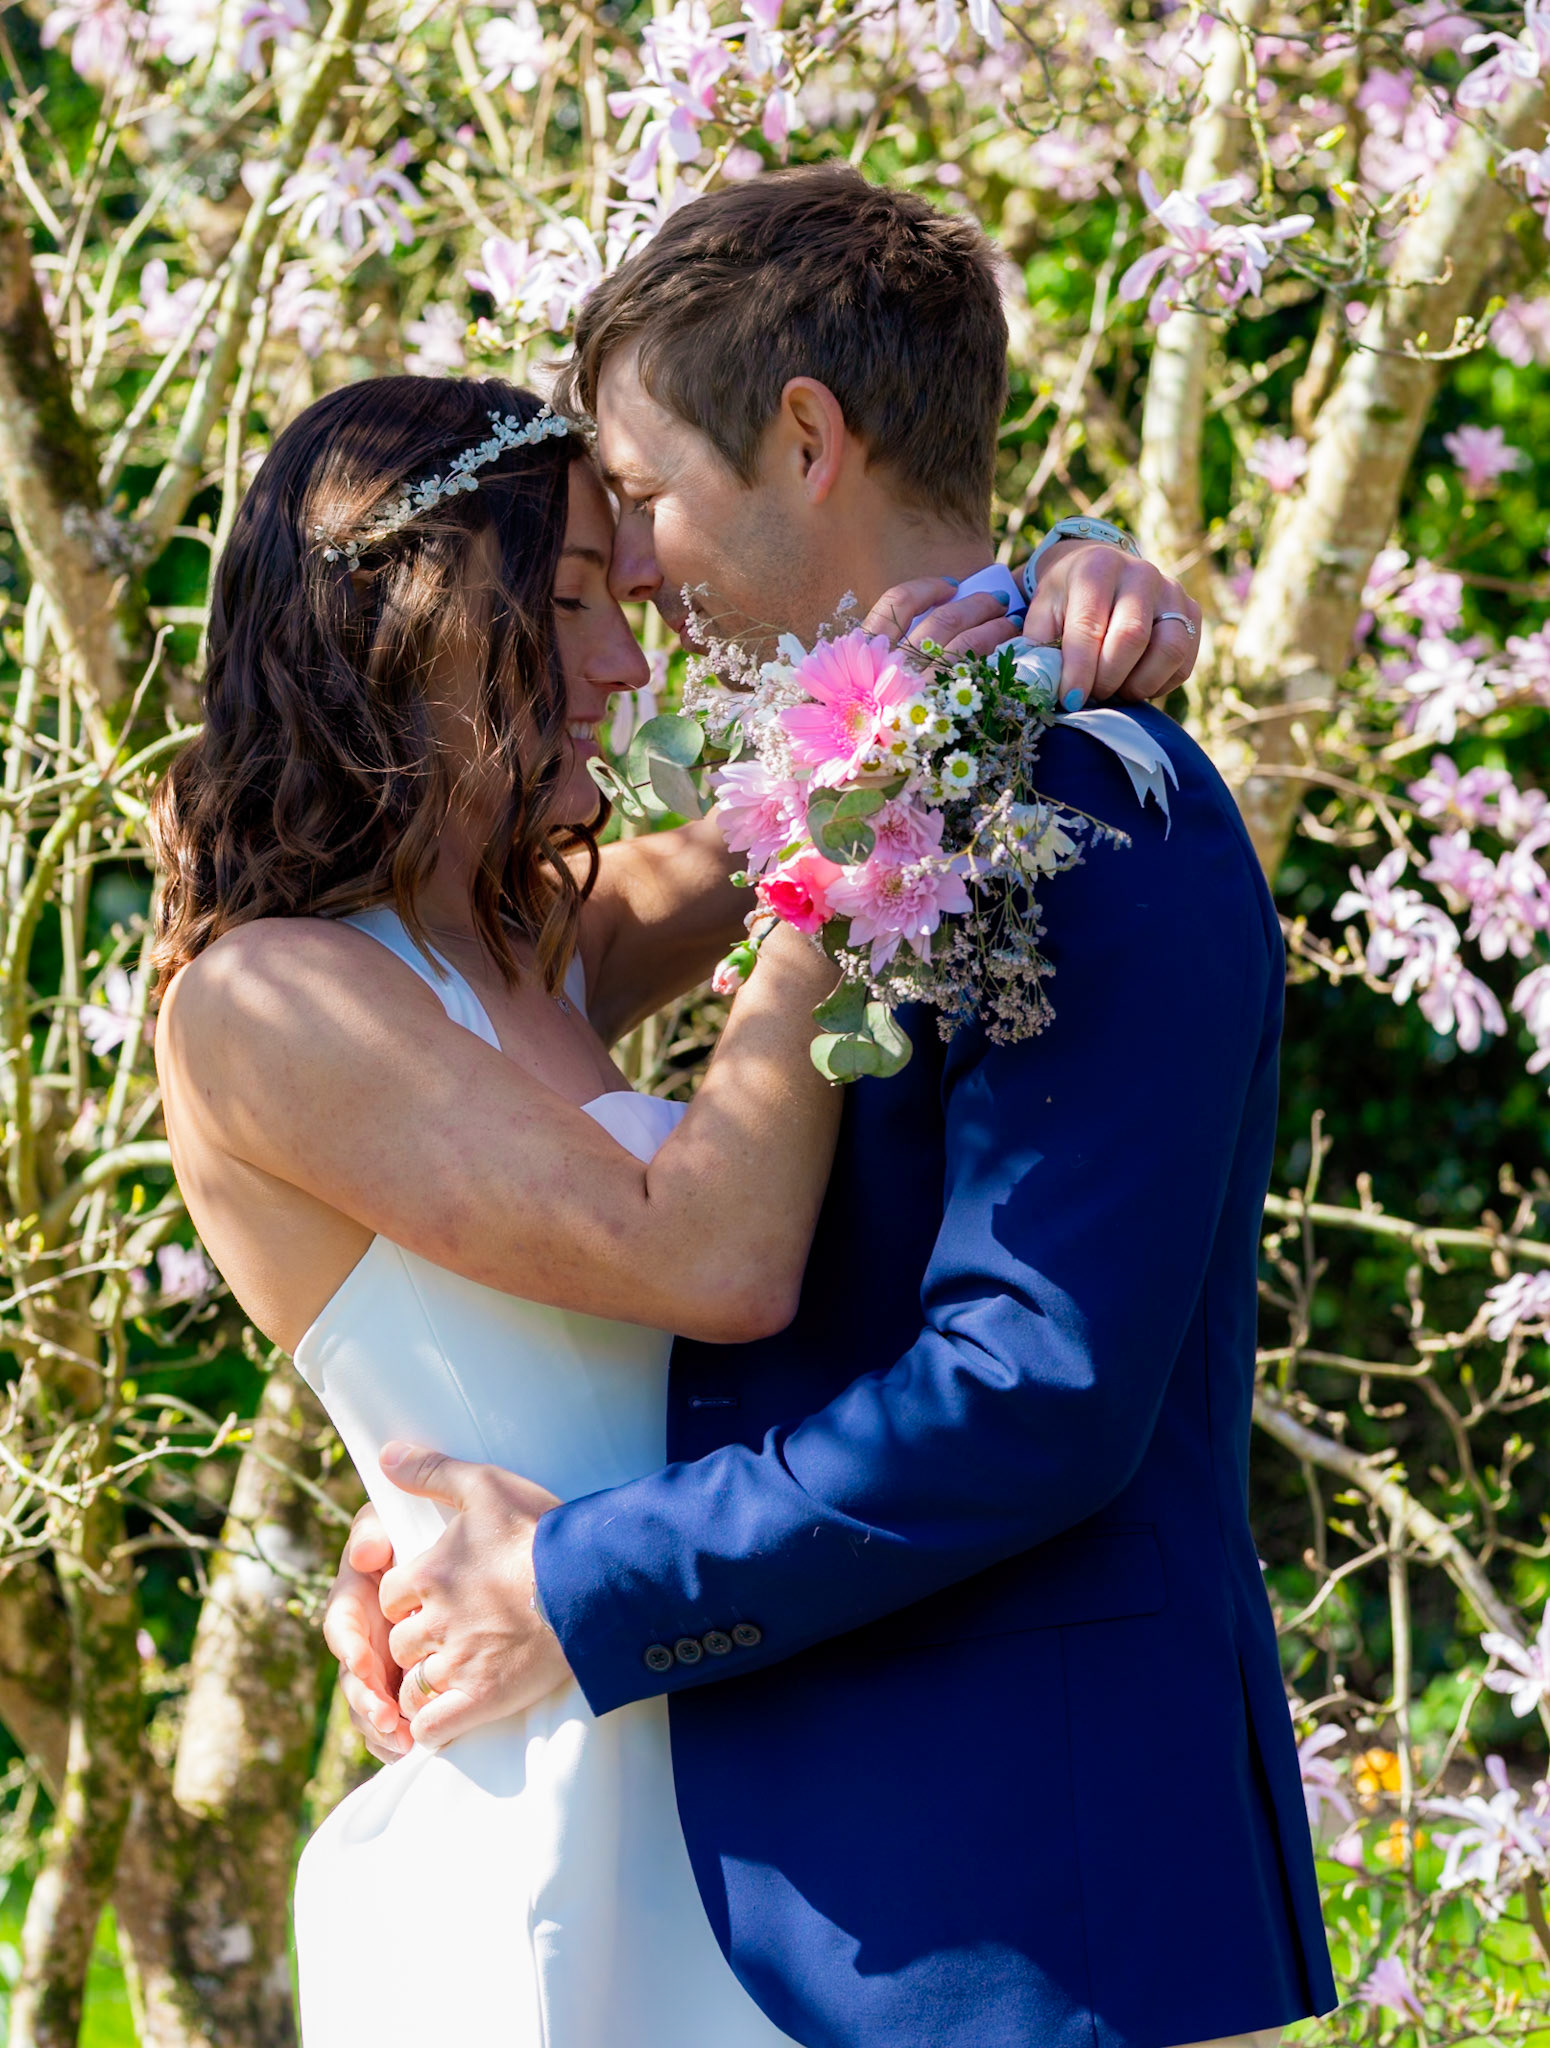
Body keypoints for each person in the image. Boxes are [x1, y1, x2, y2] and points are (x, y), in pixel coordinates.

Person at [325, 169, 1338, 2048]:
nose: (629, 570)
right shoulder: (853, 772)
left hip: (1018, 1916)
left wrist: (572, 1579)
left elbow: (1031, 1393)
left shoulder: (1101, 805)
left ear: (803, 437)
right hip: (781, 1896)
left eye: (637, 497)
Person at [153, 357, 1188, 2046]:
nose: (626, 664)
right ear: (403, 617)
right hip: (546, 1823)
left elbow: (880, 708)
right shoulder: (267, 1003)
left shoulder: (530, 948)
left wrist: (1060, 571)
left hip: (755, 1784)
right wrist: (842, 838)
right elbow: (703, 1253)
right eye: (567, 603)